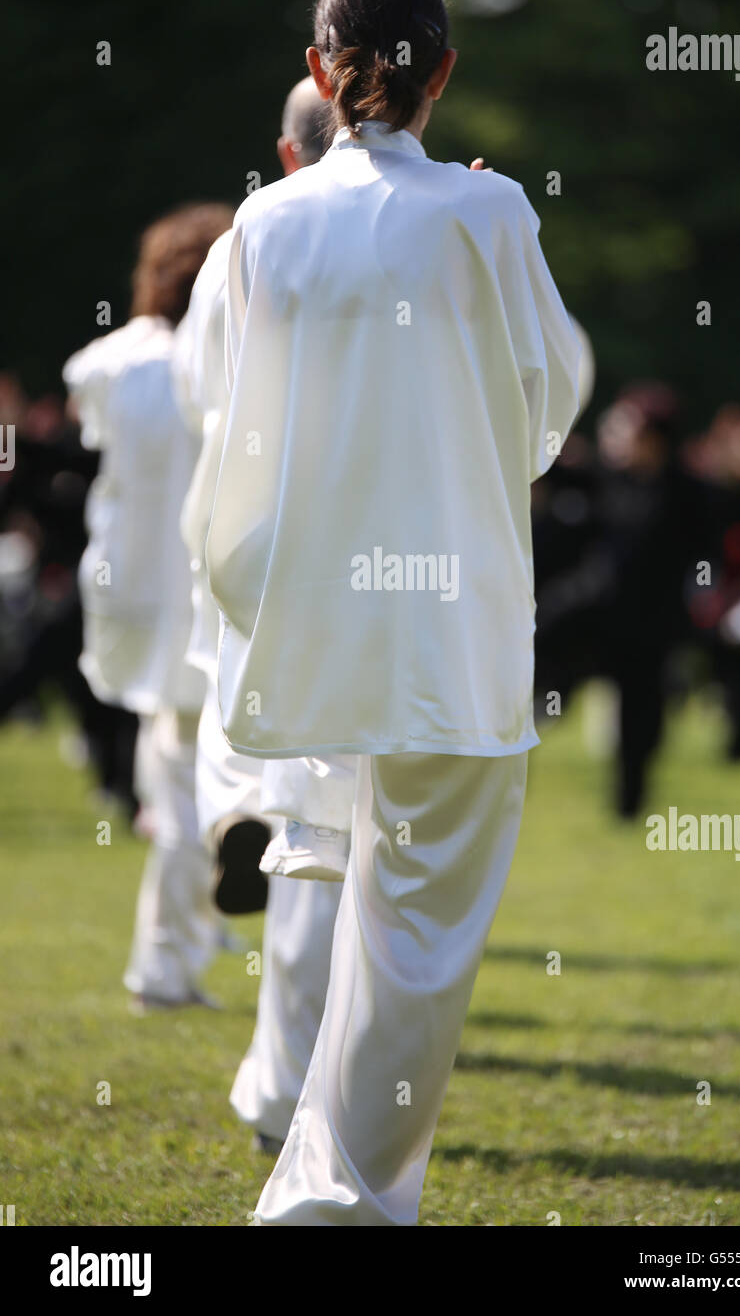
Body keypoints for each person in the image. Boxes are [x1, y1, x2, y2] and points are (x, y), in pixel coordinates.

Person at [206, 0, 583, 1225]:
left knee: (332, 875)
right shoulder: (490, 213)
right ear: (444, 75)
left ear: (322, 72)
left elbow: (238, 427)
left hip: (308, 621)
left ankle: (318, 1176)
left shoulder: (266, 219)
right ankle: (335, 1201)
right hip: (447, 626)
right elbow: (542, 413)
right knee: (415, 932)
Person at [173, 77, 356, 1150]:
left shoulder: (247, 238)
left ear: (284, 153)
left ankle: (229, 810)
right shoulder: (436, 234)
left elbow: (203, 389)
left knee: (262, 772)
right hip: (370, 562)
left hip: (244, 541)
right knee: (334, 835)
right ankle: (298, 1084)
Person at [63, 203, 233, 1010]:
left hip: (134, 592)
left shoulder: (109, 363)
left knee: (172, 768)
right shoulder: (237, 361)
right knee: (197, 783)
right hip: (212, 599)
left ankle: (183, 938)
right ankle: (170, 957)